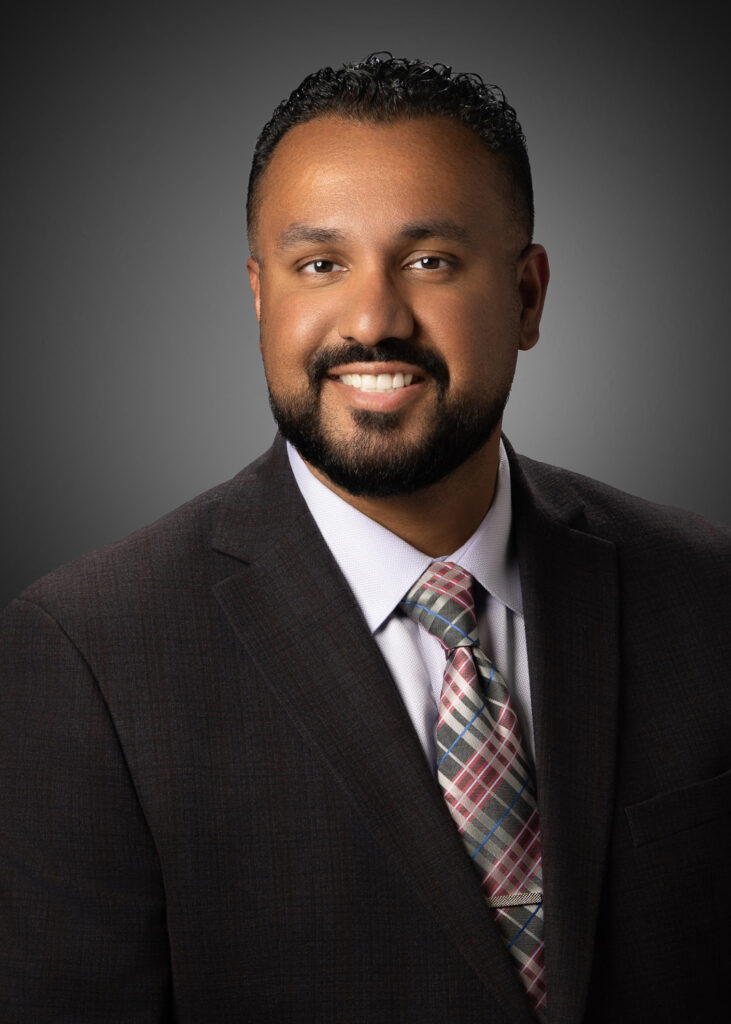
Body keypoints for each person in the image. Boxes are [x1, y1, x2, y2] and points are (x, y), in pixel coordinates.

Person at [1, 53, 728, 1024]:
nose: (373, 319)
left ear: (526, 296)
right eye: (320, 265)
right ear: (260, 298)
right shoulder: (89, 649)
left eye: (429, 261)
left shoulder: (705, 592)